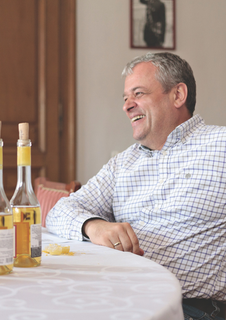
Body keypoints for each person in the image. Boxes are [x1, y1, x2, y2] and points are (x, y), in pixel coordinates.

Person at [46, 52, 226, 320]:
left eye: (138, 94)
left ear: (178, 95)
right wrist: (93, 226)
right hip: (117, 295)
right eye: (125, 98)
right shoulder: (123, 163)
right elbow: (59, 212)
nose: (127, 106)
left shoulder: (220, 147)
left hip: (190, 307)